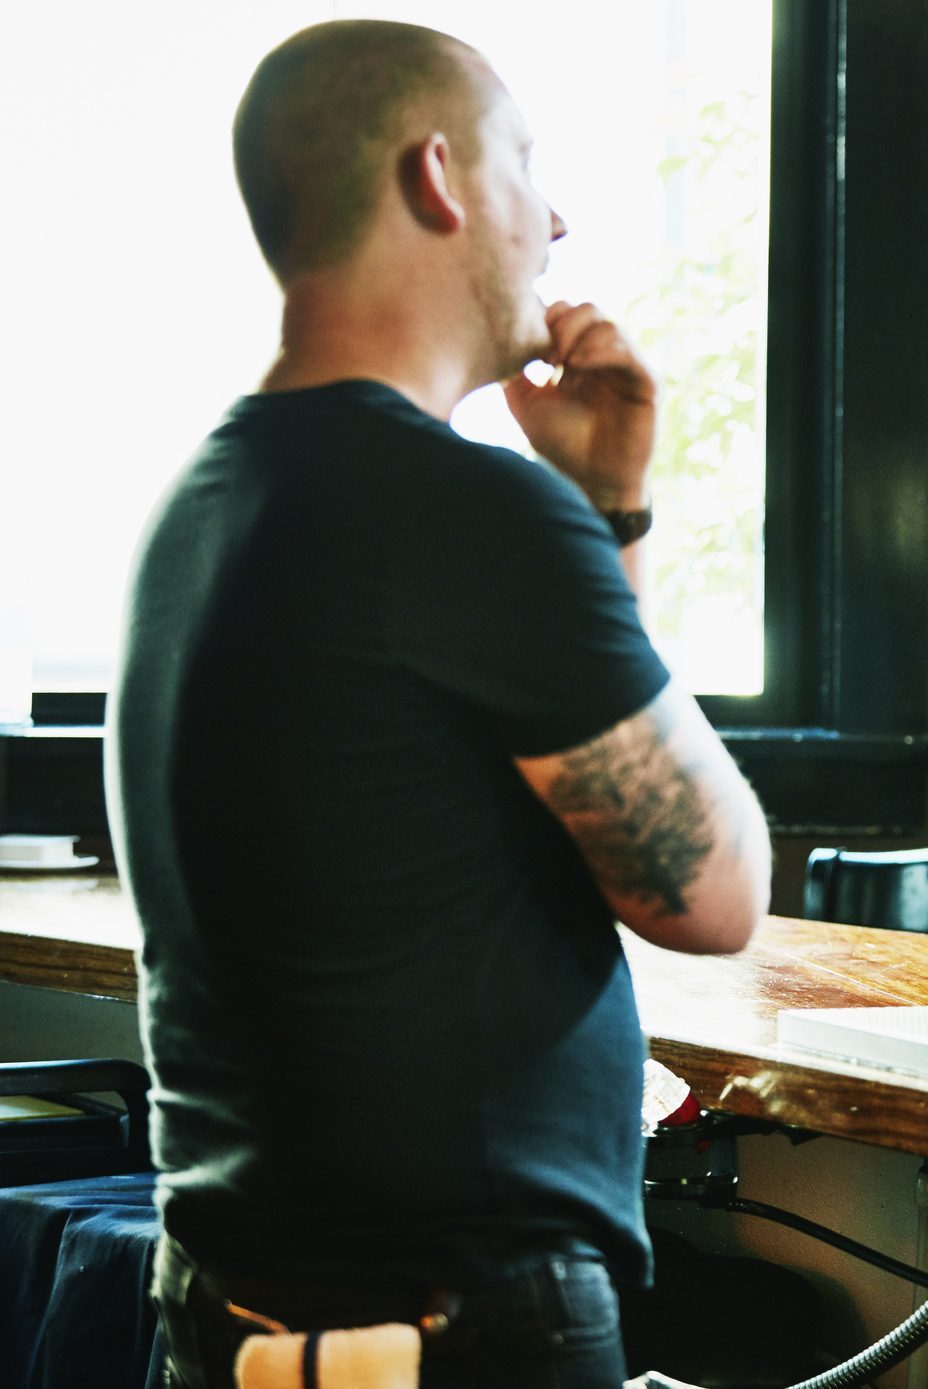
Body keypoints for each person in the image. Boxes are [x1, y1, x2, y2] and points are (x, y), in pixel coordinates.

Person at [107, 20, 771, 1388]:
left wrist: (607, 514)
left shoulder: (199, 510)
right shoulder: (463, 511)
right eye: (527, 162)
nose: (560, 215)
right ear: (437, 178)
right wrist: (582, 520)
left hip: (229, 1312)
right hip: (451, 1332)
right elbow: (711, 893)